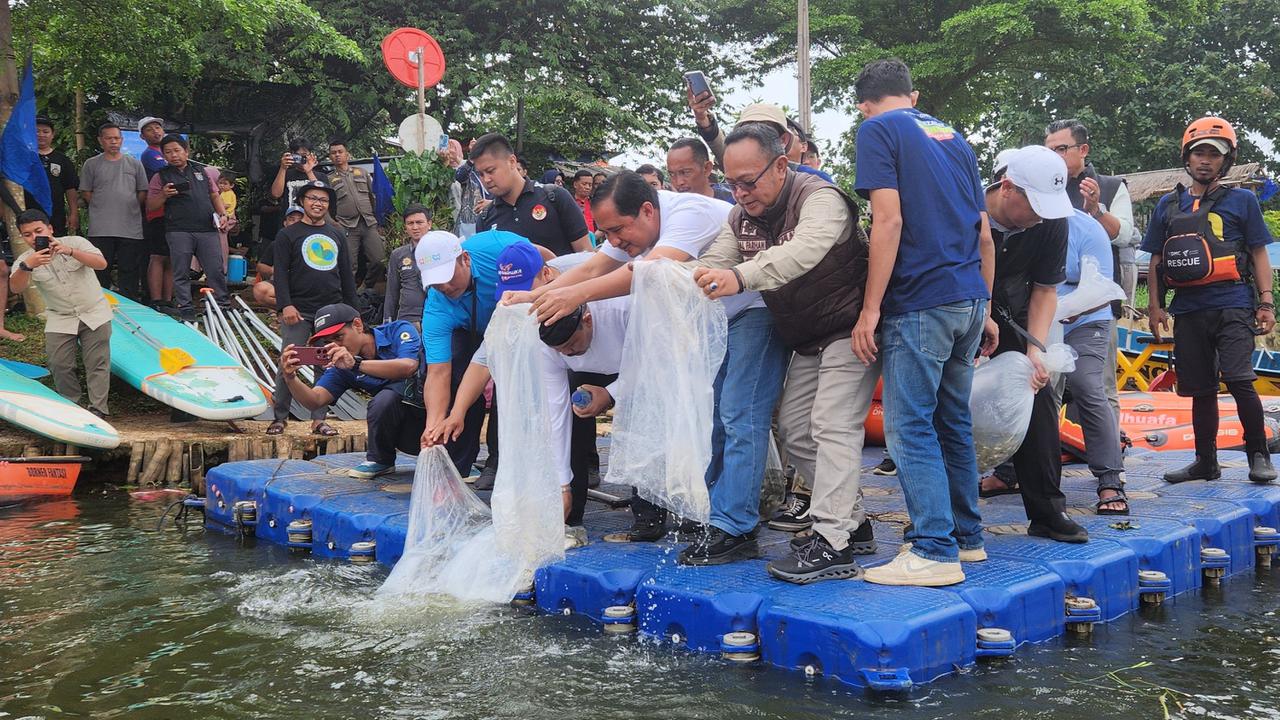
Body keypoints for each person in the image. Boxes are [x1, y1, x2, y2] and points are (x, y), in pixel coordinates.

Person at [693, 123, 870, 578]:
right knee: (795, 431)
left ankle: (832, 541)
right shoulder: (741, 217)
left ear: (781, 165)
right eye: (732, 183)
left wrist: (742, 277)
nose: (740, 193)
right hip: (808, 336)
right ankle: (855, 521)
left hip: (852, 328)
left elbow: (804, 251)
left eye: (748, 181)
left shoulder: (820, 198)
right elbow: (715, 259)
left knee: (832, 425)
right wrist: (679, 279)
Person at [847, 58, 995, 587]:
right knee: (951, 420)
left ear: (866, 103)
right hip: (968, 298)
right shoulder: (953, 137)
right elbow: (983, 233)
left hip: (920, 301)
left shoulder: (877, 130)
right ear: (912, 94)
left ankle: (934, 550)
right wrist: (987, 304)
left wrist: (870, 310)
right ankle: (966, 538)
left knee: (909, 426)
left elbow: (888, 219)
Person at [425, 245, 627, 545]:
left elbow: (658, 360)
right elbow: (487, 362)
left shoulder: (610, 298)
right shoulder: (520, 311)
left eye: (524, 290)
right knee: (571, 409)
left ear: (546, 275)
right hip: (579, 355)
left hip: (626, 344)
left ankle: (655, 510)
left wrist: (610, 393)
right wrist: (456, 414)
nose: (517, 298)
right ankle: (569, 510)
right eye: (510, 291)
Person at [1144, 117, 1276, 484]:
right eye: (1198, 153)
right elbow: (1156, 259)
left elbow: (1258, 253)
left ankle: (1258, 456)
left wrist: (1266, 303)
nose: (1205, 160)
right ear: (1187, 158)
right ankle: (1206, 461)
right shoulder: (1168, 205)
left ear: (1226, 160)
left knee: (1239, 379)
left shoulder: (1242, 201)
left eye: (1213, 155)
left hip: (1232, 303)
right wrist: (1155, 308)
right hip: (1187, 308)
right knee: (1199, 388)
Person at [978, 145, 1089, 543]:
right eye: (1034, 205)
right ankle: (942, 518)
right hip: (958, 312)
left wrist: (1034, 351)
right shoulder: (965, 207)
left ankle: (1046, 511)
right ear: (1007, 188)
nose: (1041, 215)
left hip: (1016, 317)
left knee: (1040, 396)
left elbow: (1045, 289)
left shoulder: (1051, 220)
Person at [416, 229, 546, 481]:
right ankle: (457, 464)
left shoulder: (497, 247)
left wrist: (549, 287)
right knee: (458, 378)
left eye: (447, 276)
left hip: (519, 318)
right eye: (434, 282)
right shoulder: (436, 306)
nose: (443, 286)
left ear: (464, 259)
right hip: (476, 333)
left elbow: (542, 258)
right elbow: (438, 372)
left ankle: (499, 459)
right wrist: (433, 427)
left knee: (510, 389)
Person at [1044, 118, 1135, 410]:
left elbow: (1122, 235)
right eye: (1048, 150)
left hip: (1096, 307)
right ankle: (1052, 451)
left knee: (1100, 386)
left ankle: (1109, 454)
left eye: (1061, 149)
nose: (1053, 157)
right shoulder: (1042, 187)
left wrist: (1095, 210)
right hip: (1047, 301)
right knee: (1048, 382)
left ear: (1083, 149)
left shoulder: (1110, 186)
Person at [280, 303, 423, 478]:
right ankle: (380, 460)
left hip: (437, 414)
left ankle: (463, 455)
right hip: (406, 435)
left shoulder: (398, 330)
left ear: (358, 325)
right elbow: (315, 400)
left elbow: (409, 366)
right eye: (327, 342)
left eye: (339, 337)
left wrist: (356, 364)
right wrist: (290, 378)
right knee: (384, 400)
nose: (335, 345)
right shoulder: (341, 366)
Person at [268, 180, 354, 437]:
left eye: (323, 200)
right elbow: (280, 273)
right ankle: (279, 417)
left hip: (330, 312)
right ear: (302, 202)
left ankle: (319, 420)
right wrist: (286, 304)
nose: (318, 204)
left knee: (326, 364)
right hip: (298, 311)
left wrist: (352, 310)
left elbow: (346, 274)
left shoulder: (336, 234)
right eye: (313, 198)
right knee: (289, 361)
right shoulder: (288, 235)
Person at [1058, 206, 1128, 513]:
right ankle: (1011, 472)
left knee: (1086, 384)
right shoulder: (1014, 226)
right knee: (1030, 387)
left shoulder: (1087, 229)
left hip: (1085, 320)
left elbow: (1102, 290)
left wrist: (1069, 309)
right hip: (1032, 319)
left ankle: (1110, 480)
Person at [9, 209, 112, 417]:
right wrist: (26, 267)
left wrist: (70, 251)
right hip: (60, 317)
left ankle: (98, 410)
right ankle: (72, 408)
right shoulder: (25, 260)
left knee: (97, 364)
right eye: (27, 234)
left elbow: (101, 264)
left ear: (50, 228)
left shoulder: (75, 241)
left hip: (94, 312)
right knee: (59, 364)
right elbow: (15, 288)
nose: (34, 238)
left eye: (38, 231)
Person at [145, 134, 231, 321]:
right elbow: (151, 205)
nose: (173, 155)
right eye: (168, 152)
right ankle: (186, 308)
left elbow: (215, 195)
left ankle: (222, 306)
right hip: (178, 229)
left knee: (215, 269)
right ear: (164, 156)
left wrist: (223, 215)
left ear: (186, 151)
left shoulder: (202, 171)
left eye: (177, 150)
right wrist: (164, 195)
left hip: (207, 228)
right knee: (181, 270)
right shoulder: (161, 176)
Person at [472, 133, 591, 257]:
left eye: (490, 171)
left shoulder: (554, 198)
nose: (486, 179)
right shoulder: (485, 219)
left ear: (512, 162)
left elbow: (586, 256)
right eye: (481, 174)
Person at [689, 94, 836, 184]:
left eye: (763, 133)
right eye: (746, 133)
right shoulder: (737, 192)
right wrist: (702, 118)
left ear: (783, 140)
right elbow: (721, 147)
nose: (744, 192)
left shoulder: (813, 180)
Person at [78, 122, 148, 300]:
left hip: (130, 227)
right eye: (109, 138)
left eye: (116, 138)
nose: (113, 142)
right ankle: (98, 303)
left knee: (129, 269)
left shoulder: (134, 164)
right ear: (100, 140)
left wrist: (129, 205)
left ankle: (130, 304)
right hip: (101, 227)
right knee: (101, 267)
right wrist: (103, 205)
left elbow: (142, 192)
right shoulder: (91, 164)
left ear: (122, 140)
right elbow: (86, 191)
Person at [328, 138, 385, 289]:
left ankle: (365, 289)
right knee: (348, 266)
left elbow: (373, 197)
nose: (337, 155)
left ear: (347, 154)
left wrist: (378, 220)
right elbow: (327, 206)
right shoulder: (329, 179)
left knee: (379, 260)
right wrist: (334, 224)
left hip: (368, 223)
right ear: (330, 157)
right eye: (333, 153)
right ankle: (349, 297)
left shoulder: (362, 172)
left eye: (340, 152)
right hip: (346, 227)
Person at [138, 116, 174, 311]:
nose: (156, 131)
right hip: (157, 212)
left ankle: (168, 300)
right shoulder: (150, 155)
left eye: (158, 127)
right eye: (150, 129)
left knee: (171, 258)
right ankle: (156, 299)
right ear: (142, 136)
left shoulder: (166, 151)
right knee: (157, 256)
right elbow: (170, 171)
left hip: (175, 214)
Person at [383, 204, 431, 330]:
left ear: (429, 224)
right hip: (408, 319)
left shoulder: (440, 251)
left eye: (419, 222)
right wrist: (387, 323)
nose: (415, 227)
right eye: (410, 223)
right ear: (405, 227)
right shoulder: (398, 255)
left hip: (434, 316)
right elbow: (391, 292)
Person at [30, 116, 79, 236]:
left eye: (45, 131)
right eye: (37, 131)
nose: (41, 134)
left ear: (52, 134)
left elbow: (70, 188)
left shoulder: (62, 160)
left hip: (55, 215)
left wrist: (73, 213)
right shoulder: (23, 159)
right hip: (28, 213)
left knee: (56, 248)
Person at [253, 205, 304, 307]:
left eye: (300, 220)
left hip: (307, 287)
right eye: (292, 219)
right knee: (260, 290)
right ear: (285, 223)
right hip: (282, 285)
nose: (296, 223)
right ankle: (286, 307)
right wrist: (274, 270)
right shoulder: (277, 243)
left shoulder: (314, 243)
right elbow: (261, 266)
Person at [667, 138, 734, 203]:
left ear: (706, 168)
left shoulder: (735, 200)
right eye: (672, 174)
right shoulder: (668, 210)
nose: (679, 182)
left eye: (685, 172)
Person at [269, 137, 328, 205]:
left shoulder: (321, 176)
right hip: (291, 214)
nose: (300, 159)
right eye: (297, 156)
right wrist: (283, 168)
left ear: (311, 155)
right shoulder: (285, 173)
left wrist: (309, 172)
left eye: (304, 155)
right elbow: (275, 195)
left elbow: (320, 197)